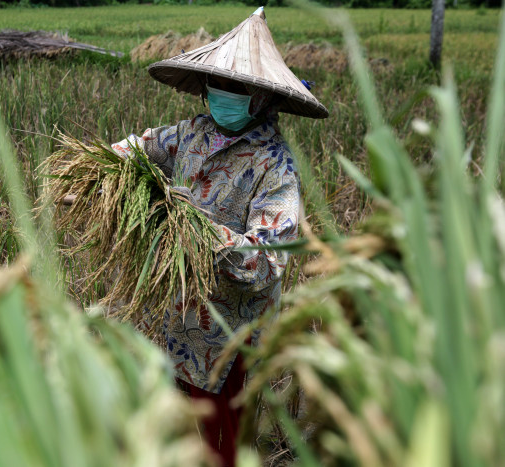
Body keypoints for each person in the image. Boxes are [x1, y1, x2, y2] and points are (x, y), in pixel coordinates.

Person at [111, 7, 328, 466]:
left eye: (237, 88)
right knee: (177, 427)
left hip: (231, 335)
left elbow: (266, 261)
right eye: (218, 85)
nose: (223, 95)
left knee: (223, 443)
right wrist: (108, 171)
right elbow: (143, 147)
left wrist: (198, 227)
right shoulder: (192, 133)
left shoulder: (276, 167)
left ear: (262, 98)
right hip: (178, 315)